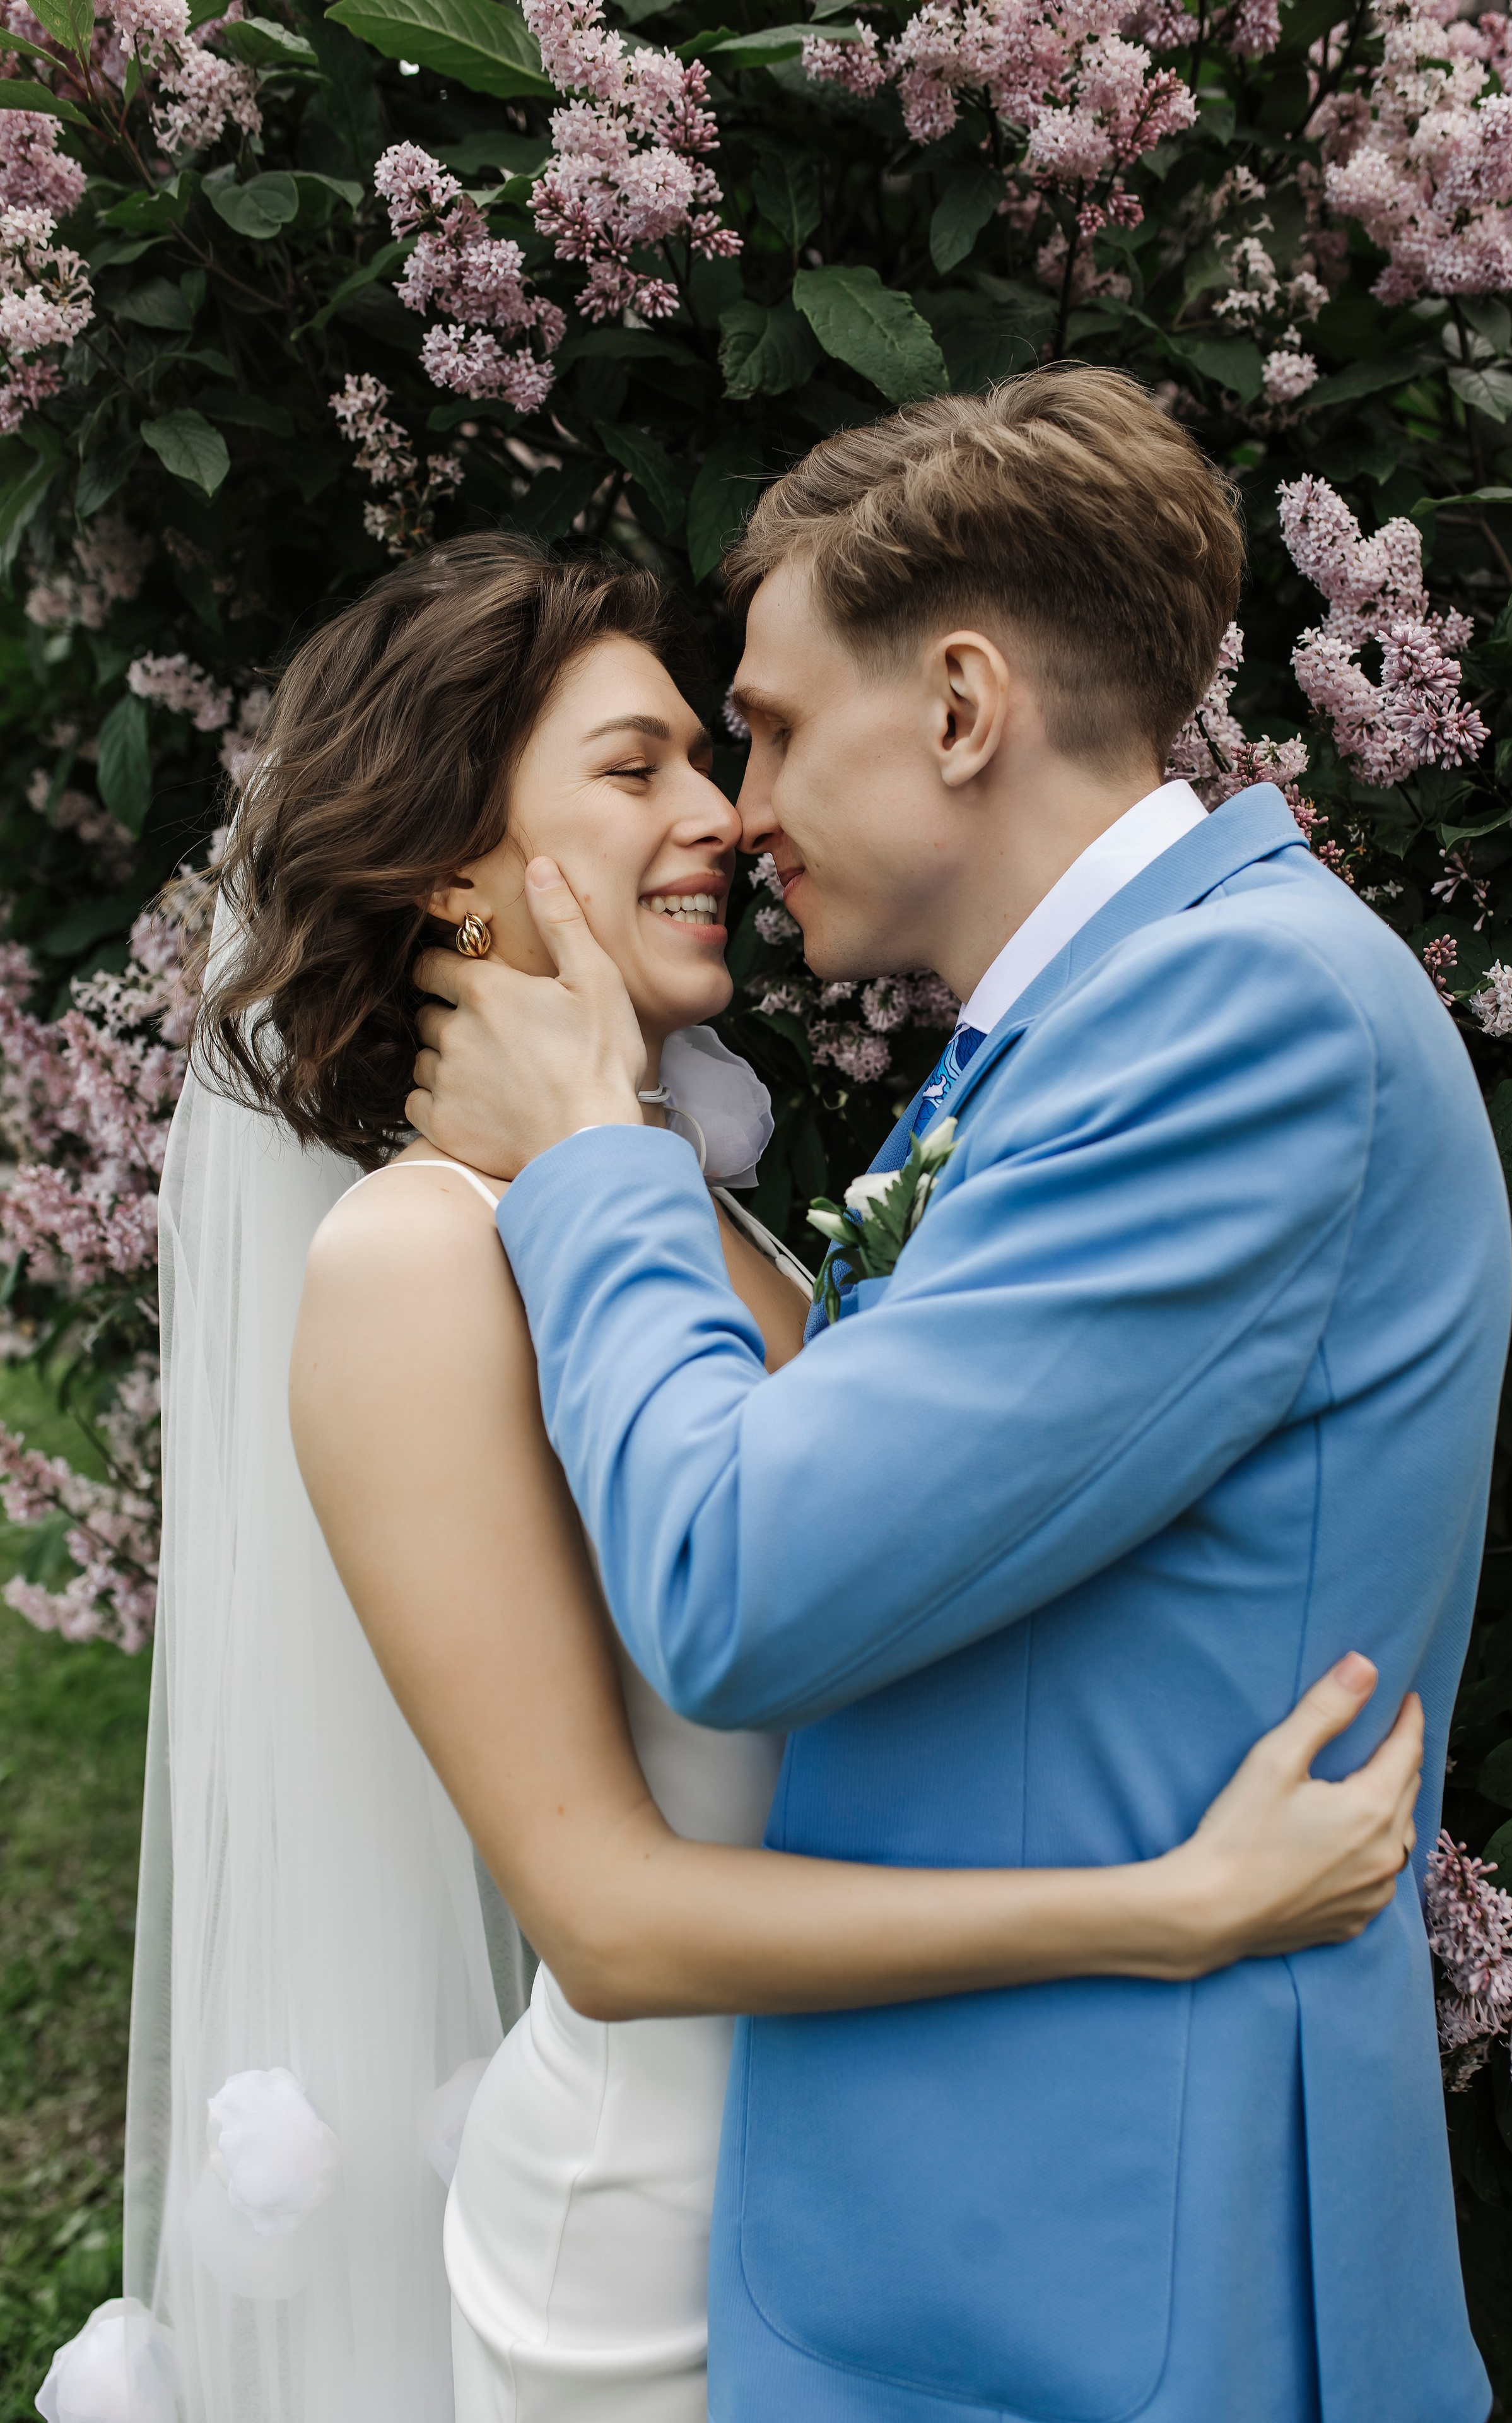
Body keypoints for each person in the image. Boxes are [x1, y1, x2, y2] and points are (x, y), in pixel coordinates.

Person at [79, 534, 1425, 2423]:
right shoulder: (414, 1264)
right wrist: (1170, 1906)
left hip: (880, 2197)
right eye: (638, 772)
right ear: (454, 873)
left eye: (711, 759)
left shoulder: (676, 1216)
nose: (722, 816)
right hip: (647, 2256)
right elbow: (614, 1925)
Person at [406, 374, 1512, 2423]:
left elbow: (736, 1589)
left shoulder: (1240, 1021)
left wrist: (588, 1159)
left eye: (770, 724)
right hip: (978, 2241)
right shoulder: (1089, 1034)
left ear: (963, 706)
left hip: (1105, 2271)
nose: (739, 809)